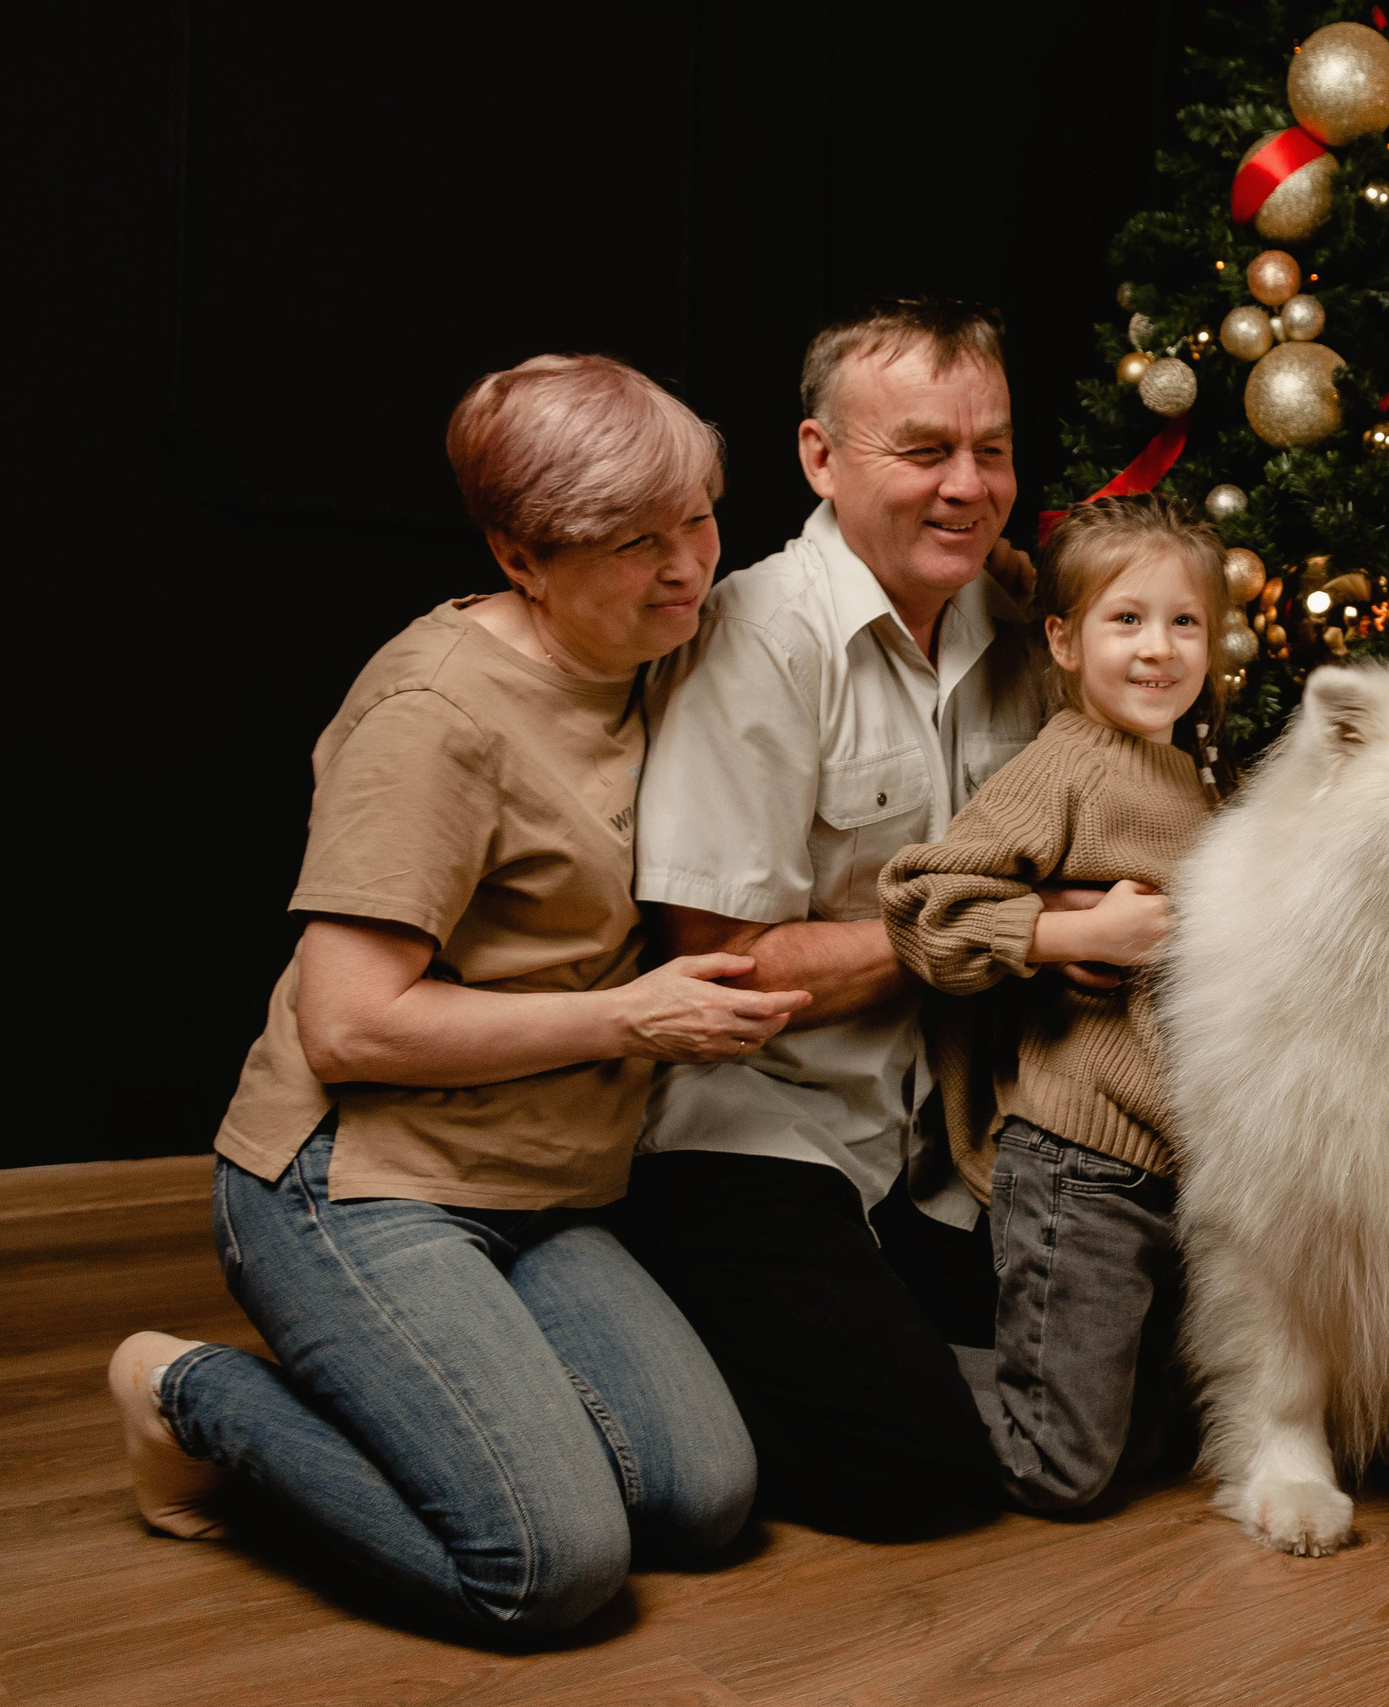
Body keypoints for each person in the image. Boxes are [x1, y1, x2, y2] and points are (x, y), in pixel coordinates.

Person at [107, 355, 776, 1636]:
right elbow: (349, 1025)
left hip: (539, 1178)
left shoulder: (654, 644)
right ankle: (185, 1391)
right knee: (549, 1570)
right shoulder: (434, 716)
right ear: (521, 559)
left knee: (703, 1501)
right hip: (352, 1183)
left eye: (695, 516)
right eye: (635, 544)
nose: (686, 565)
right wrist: (631, 1015)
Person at [622, 298, 1053, 1539]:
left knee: (1141, 1395)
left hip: (946, 1149)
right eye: (923, 452)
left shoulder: (1017, 622)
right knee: (915, 1481)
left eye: (993, 450)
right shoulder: (758, 635)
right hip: (762, 1132)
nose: (969, 487)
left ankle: (878, 1334)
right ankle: (654, 1330)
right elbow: (716, 972)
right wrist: (1003, 931)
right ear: (820, 458)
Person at [880, 494, 1227, 1513]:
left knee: (1157, 1444)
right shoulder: (1065, 766)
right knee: (1060, 1473)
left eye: (1184, 623)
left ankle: (1034, 1386)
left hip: (1168, 1159)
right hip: (1079, 1161)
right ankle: (903, 1394)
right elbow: (922, 907)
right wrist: (1070, 933)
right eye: (1127, 620)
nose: (1158, 650)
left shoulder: (1190, 775)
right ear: (1066, 642)